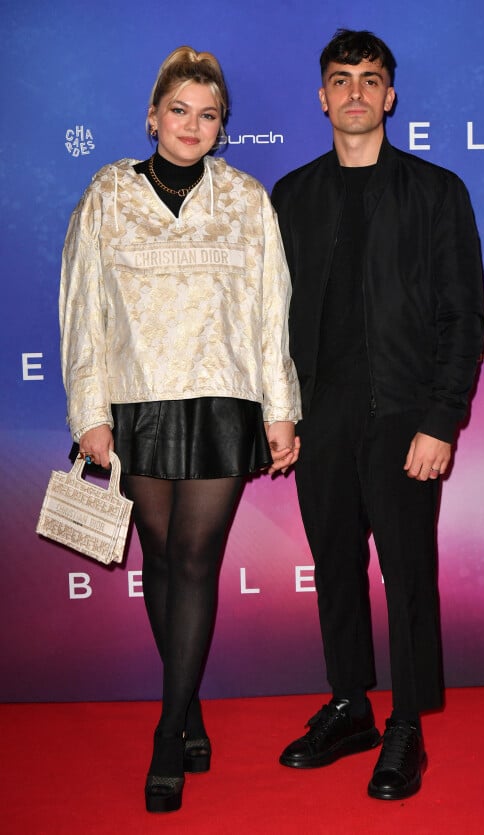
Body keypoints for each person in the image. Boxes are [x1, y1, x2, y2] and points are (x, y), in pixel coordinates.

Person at [59, 45, 301, 813]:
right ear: (153, 116)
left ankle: (168, 732)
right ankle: (187, 701)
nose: (192, 125)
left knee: (195, 558)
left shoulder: (246, 198)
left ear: (222, 125)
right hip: (137, 400)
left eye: (208, 114)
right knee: (159, 557)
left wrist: (280, 406)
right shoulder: (107, 194)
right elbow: (82, 309)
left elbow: (271, 311)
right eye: (179, 111)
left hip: (224, 399)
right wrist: (90, 411)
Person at [271, 29, 484, 800]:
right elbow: (271, 319)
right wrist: (281, 413)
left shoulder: (436, 193)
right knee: (334, 567)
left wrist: (441, 418)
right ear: (322, 96)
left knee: (406, 574)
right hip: (317, 415)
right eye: (341, 79)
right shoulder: (290, 196)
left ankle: (405, 725)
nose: (355, 92)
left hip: (403, 416)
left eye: (369, 79)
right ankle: (351, 703)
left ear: (390, 96)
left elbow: (466, 318)